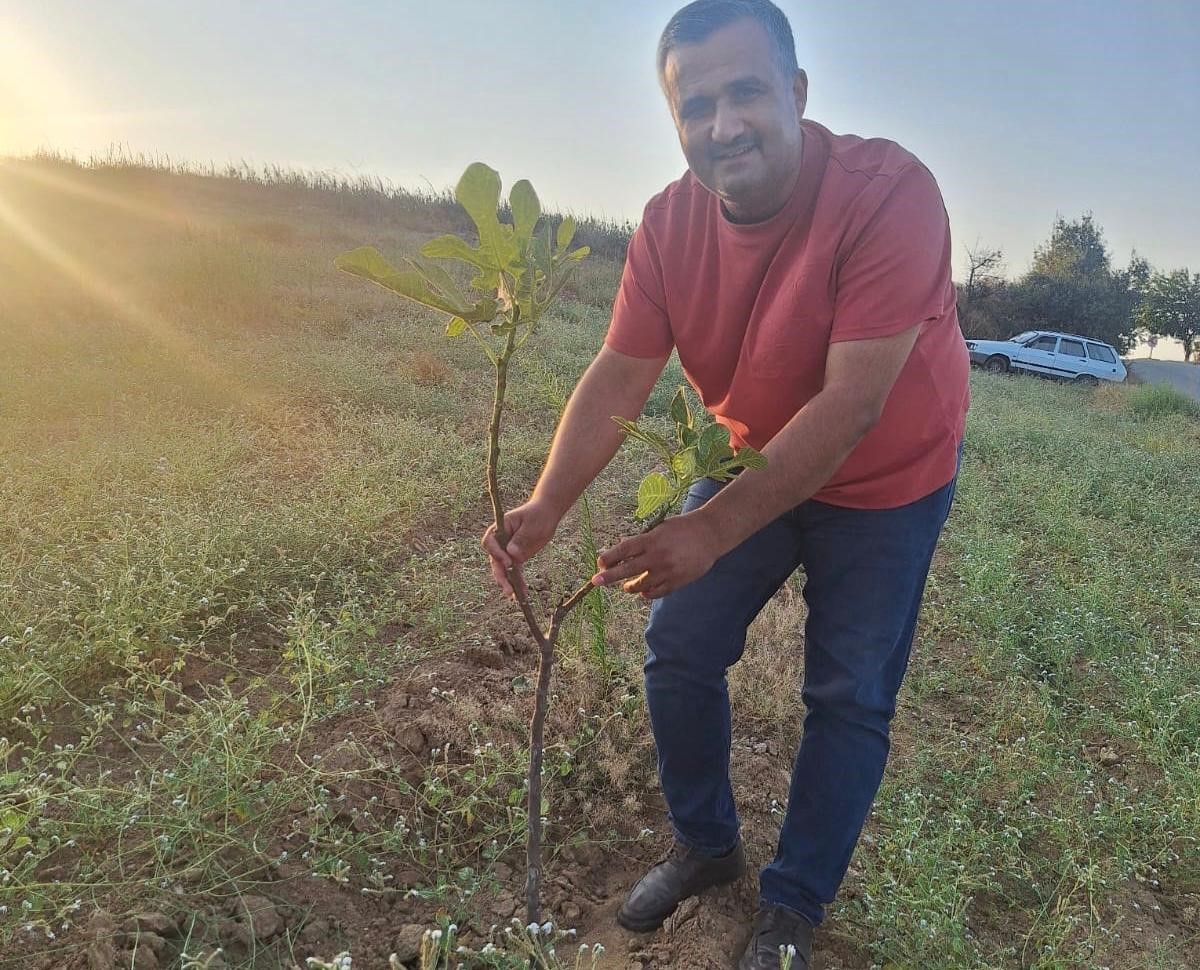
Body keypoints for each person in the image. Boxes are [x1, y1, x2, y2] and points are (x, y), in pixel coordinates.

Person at [483, 0, 970, 966]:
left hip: (890, 479)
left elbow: (848, 410)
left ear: (795, 92)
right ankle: (707, 847)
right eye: (694, 105)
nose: (723, 124)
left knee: (849, 696)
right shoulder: (668, 228)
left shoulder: (890, 193)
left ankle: (791, 906)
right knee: (682, 644)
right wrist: (547, 506)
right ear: (675, 124)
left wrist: (706, 533)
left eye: (746, 91)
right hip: (754, 456)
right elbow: (621, 371)